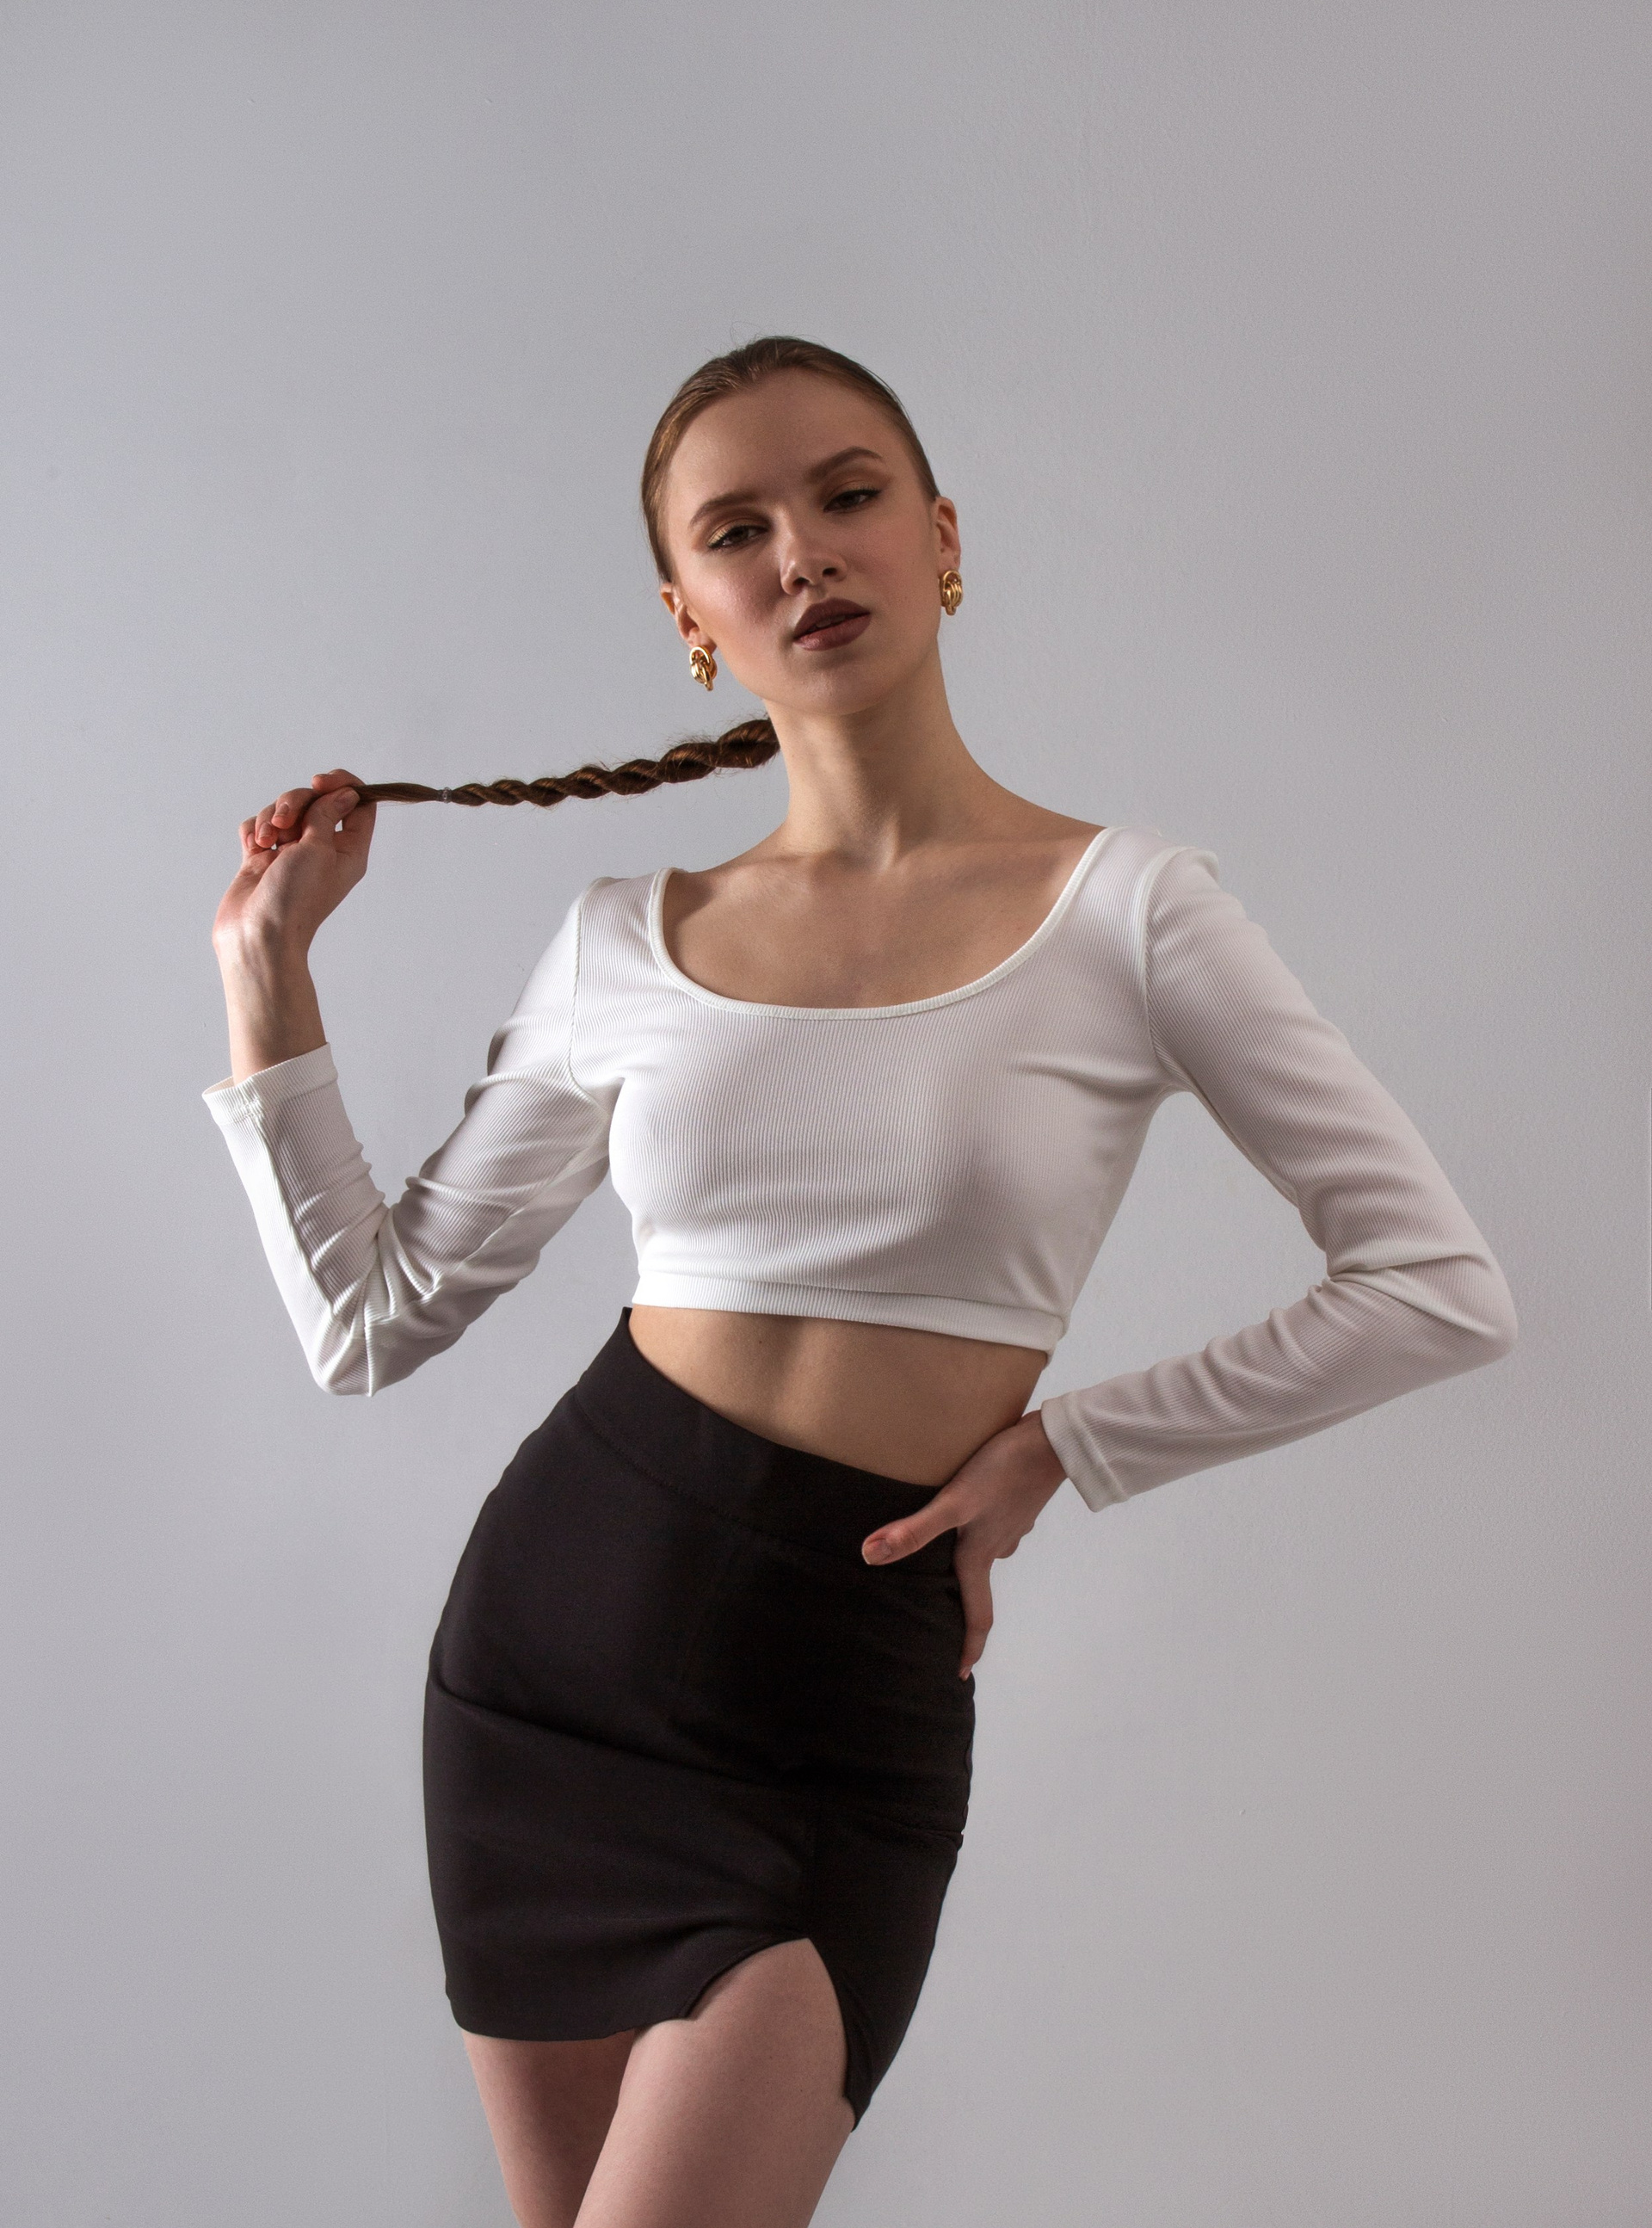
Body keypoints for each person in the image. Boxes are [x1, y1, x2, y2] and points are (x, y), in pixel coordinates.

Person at [205, 336, 1519, 2228]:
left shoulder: (1132, 910)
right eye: (735, 531)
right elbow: (372, 1319)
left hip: (837, 1706)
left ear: (943, 537)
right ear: (691, 615)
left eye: (846, 495)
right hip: (547, 1682)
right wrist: (268, 986)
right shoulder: (624, 941)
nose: (802, 552)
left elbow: (1434, 1282)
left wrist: (1067, 1449)